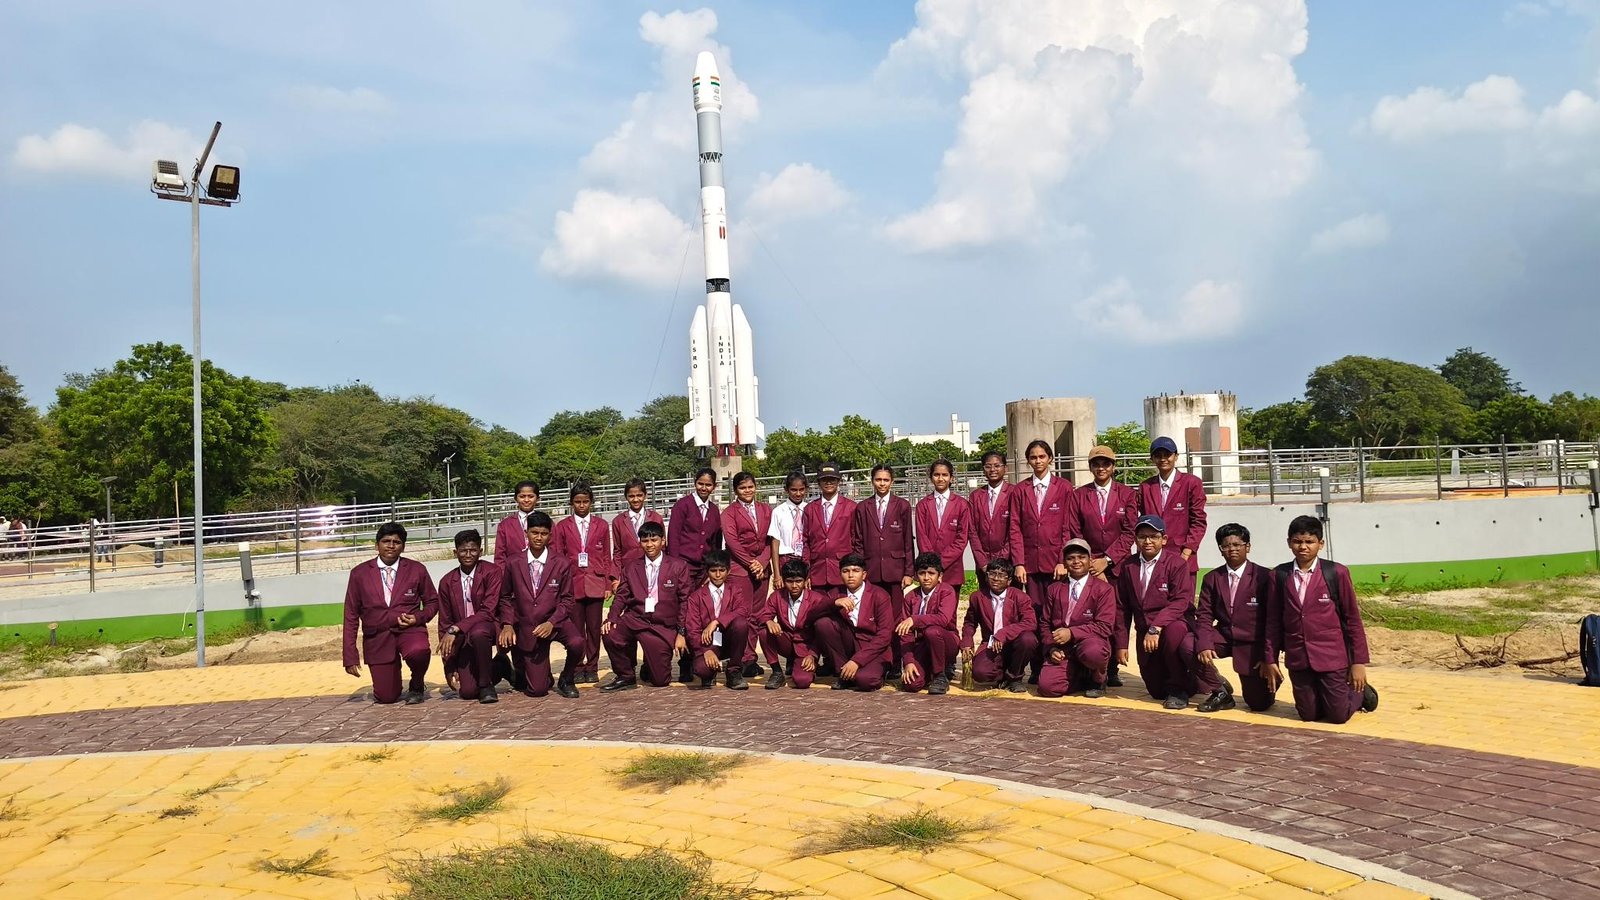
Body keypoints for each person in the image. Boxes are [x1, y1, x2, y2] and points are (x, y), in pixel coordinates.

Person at [1265, 516, 1379, 724]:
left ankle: (1360, 693)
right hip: (1299, 657)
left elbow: (1352, 619)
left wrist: (1358, 663)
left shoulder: (1336, 573)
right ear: (1289, 542)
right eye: (1297, 541)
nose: (1303, 547)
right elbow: (1273, 620)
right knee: (1308, 715)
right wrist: (1270, 658)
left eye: (1309, 542)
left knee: (1338, 716)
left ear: (1321, 544)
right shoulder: (1279, 575)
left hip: (1332, 656)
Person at [1114, 515, 1220, 710]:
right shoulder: (1128, 566)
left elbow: (1181, 601)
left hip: (1174, 623)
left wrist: (1156, 627)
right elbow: (1122, 607)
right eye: (1142, 537)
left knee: (1173, 633)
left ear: (1163, 539)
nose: (1147, 541)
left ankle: (1179, 689)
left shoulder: (1176, 563)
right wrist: (1121, 644)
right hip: (1145, 630)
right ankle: (1200, 679)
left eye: (1153, 536)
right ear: (1135, 540)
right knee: (1156, 691)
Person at [341, 522, 438, 705]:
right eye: (386, 541)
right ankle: (393, 679)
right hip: (377, 636)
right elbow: (351, 615)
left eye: (397, 542)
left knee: (419, 651)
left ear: (403, 546)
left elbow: (433, 602)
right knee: (386, 697)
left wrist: (417, 618)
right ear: (376, 545)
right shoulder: (359, 574)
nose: (391, 546)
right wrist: (350, 655)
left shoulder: (416, 569)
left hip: (409, 631)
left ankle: (417, 683)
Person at [1006, 439, 1076, 681]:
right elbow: (1015, 528)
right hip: (1031, 565)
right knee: (1035, 615)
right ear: (1028, 461)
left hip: (1055, 565)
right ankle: (1037, 667)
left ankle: (1057, 662)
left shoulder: (1064, 488)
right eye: (1033, 457)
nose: (1038, 461)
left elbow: (1067, 526)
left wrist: (1062, 560)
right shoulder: (1020, 490)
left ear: (1050, 459)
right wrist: (1019, 562)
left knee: (1057, 614)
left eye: (1042, 457)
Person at [497, 512, 582, 699]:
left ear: (550, 535)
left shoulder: (561, 563)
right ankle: (538, 675)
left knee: (577, 642)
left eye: (543, 534)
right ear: (526, 533)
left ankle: (567, 678)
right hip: (529, 626)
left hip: (555, 622)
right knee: (537, 690)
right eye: (534, 533)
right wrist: (508, 624)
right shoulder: (513, 562)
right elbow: (505, 597)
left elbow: (568, 599)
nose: (538, 537)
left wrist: (552, 622)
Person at [602, 520, 694, 691]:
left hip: (662, 625)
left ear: (663, 541)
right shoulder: (631, 567)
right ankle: (625, 675)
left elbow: (685, 601)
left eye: (654, 540)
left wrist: (681, 632)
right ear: (640, 543)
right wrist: (612, 617)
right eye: (645, 541)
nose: (649, 545)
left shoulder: (678, 566)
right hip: (636, 618)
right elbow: (622, 596)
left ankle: (650, 664)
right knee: (610, 631)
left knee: (660, 680)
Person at [1194, 523, 1275, 713]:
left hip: (1253, 644)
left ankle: (1268, 685)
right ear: (1220, 549)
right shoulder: (1212, 578)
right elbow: (1204, 615)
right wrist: (1204, 644)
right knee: (1188, 644)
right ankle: (1219, 689)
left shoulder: (1265, 576)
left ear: (1248, 546)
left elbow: (1272, 620)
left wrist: (1268, 657)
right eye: (1226, 545)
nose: (1232, 549)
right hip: (1224, 636)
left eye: (1237, 544)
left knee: (1258, 704)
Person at [1075, 445, 1138, 686]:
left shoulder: (1128, 494)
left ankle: (1112, 668)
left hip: (1117, 567)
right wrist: (1092, 564)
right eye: (1096, 464)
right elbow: (1075, 531)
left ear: (1113, 466)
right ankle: (1092, 666)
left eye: (1106, 463)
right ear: (1090, 467)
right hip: (1088, 567)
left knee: (1117, 617)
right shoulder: (1079, 495)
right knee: (1090, 615)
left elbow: (1130, 531)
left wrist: (1108, 560)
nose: (1101, 468)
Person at [851, 464, 914, 675]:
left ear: (892, 482)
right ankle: (877, 659)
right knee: (874, 617)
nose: (882, 484)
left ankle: (895, 662)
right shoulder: (863, 507)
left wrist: (908, 572)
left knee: (895, 618)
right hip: (871, 570)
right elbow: (858, 541)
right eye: (878, 480)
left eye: (886, 480)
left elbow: (908, 540)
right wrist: (860, 571)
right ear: (872, 481)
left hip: (895, 571)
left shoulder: (902, 506)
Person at [551, 484, 614, 685]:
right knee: (576, 628)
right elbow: (559, 556)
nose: (581, 505)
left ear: (591, 502)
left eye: (585, 501)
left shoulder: (601, 525)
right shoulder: (563, 526)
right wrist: (561, 586)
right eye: (577, 502)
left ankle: (592, 666)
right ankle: (577, 666)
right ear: (571, 503)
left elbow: (606, 556)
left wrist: (607, 583)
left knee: (594, 629)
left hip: (595, 581)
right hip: (573, 582)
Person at [1037, 539, 1116, 699]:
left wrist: (1072, 633)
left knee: (1093, 652)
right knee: (1047, 688)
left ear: (1090, 560)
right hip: (1063, 649)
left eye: (1081, 557)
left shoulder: (1104, 589)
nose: (1076, 561)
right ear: (1064, 563)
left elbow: (1105, 626)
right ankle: (1080, 677)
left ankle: (1098, 680)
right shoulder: (1054, 589)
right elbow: (1044, 623)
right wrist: (1051, 649)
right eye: (1070, 558)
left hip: (1089, 644)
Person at [808, 553, 894, 692]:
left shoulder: (880, 595)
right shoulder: (835, 593)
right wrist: (834, 603)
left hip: (872, 648)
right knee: (823, 623)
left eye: (856, 571)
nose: (851, 575)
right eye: (846, 571)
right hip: (848, 645)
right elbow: (811, 616)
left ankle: (873, 672)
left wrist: (856, 661)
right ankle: (843, 673)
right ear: (840, 574)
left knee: (866, 681)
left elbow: (885, 635)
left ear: (864, 574)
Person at [437, 529, 503, 703]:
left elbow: (488, 611)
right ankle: (500, 666)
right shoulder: (446, 582)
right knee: (467, 692)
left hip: (487, 628)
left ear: (480, 551)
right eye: (463, 551)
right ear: (455, 553)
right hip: (462, 637)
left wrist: (456, 627)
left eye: (473, 550)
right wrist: (449, 665)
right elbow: (445, 623)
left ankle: (486, 685)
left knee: (478, 632)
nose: (468, 555)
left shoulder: (492, 572)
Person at [961, 558, 1039, 692]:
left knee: (1028, 639)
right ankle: (1003, 676)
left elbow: (1030, 622)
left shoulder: (1020, 597)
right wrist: (967, 641)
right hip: (991, 644)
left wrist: (1004, 633)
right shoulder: (977, 597)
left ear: (1009, 580)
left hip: (1014, 642)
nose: (996, 579)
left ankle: (1015, 678)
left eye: (1001, 575)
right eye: (992, 574)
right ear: (987, 577)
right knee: (980, 673)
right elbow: (970, 622)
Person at [723, 471, 773, 677]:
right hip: (740, 569)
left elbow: (771, 539)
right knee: (742, 615)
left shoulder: (766, 509)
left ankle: (750, 658)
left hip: (762, 569)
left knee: (757, 616)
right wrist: (751, 563)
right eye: (742, 488)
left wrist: (762, 562)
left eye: (750, 487)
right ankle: (739, 657)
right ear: (736, 490)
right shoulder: (729, 513)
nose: (747, 491)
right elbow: (732, 542)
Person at [1139, 437, 1206, 579]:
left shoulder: (1191, 483)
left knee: (1183, 594)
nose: (1163, 459)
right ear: (1152, 459)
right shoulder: (1145, 487)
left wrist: (1186, 553)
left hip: (1183, 557)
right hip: (1153, 560)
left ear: (1176, 456)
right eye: (1158, 455)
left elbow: (1199, 522)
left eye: (1167, 455)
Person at [683, 549, 750, 689]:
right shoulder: (696, 597)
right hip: (707, 643)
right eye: (713, 571)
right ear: (707, 572)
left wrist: (717, 621)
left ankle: (734, 670)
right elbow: (692, 629)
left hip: (728, 640)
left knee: (741, 624)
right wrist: (705, 651)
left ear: (729, 571)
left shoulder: (735, 590)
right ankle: (711, 670)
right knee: (702, 670)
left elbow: (743, 611)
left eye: (722, 570)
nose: (718, 575)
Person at [897, 552, 958, 695]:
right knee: (911, 684)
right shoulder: (910, 596)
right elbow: (905, 632)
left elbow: (943, 619)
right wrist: (909, 661)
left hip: (946, 642)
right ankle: (929, 670)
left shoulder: (947, 591)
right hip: (922, 645)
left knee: (932, 631)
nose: (926, 578)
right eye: (922, 573)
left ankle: (940, 675)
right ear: (916, 576)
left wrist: (915, 619)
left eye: (931, 573)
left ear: (940, 576)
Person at [761, 558, 824, 689]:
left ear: (805, 581)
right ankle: (777, 672)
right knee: (763, 631)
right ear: (784, 581)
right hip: (786, 641)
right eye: (790, 581)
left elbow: (821, 632)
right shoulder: (777, 596)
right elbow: (763, 615)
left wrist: (813, 655)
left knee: (802, 681)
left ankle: (807, 667)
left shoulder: (816, 599)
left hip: (806, 647)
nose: (794, 586)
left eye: (798, 581)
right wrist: (769, 621)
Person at [914, 458, 971, 595]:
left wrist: (941, 562)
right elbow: (922, 536)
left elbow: (961, 539)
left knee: (950, 607)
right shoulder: (922, 505)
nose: (940, 479)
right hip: (928, 571)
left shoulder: (962, 504)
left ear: (951, 478)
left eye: (944, 475)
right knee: (928, 606)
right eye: (936, 475)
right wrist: (932, 564)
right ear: (931, 477)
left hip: (952, 568)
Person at [800, 463, 855, 600]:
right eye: (824, 479)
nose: (829, 483)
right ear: (819, 482)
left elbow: (856, 540)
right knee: (819, 610)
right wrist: (807, 572)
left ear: (838, 481)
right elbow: (806, 542)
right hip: (817, 572)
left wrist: (854, 570)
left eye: (832, 479)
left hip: (841, 571)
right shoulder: (809, 509)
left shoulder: (851, 507)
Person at [666, 468, 723, 585]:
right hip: (684, 564)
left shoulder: (714, 510)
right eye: (700, 483)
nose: (704, 488)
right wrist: (675, 564)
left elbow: (715, 542)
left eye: (708, 485)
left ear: (714, 486)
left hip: (704, 567)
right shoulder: (682, 505)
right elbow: (673, 536)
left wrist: (714, 565)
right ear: (695, 482)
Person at [968, 450, 1015, 577]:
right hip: (984, 564)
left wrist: (1002, 559)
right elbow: (972, 531)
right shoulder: (975, 496)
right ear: (983, 469)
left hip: (1008, 562)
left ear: (1005, 468)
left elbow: (1016, 529)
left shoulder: (1014, 492)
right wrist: (982, 561)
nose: (993, 469)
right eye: (988, 466)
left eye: (997, 465)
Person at [611, 478, 664, 568]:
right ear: (626, 497)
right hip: (628, 569)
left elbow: (662, 546)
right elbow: (617, 551)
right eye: (631, 496)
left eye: (639, 495)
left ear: (645, 495)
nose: (635, 499)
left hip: (653, 567)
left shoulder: (656, 518)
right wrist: (617, 573)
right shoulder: (618, 521)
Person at [767, 471, 809, 573]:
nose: (798, 494)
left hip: (805, 558)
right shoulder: (778, 512)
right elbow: (775, 542)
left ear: (806, 489)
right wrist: (777, 574)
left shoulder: (810, 509)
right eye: (794, 490)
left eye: (801, 489)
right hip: (785, 559)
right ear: (786, 489)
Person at [493, 481, 541, 564]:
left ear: (537, 499)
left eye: (531, 496)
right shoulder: (505, 525)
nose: (526, 500)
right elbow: (500, 556)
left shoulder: (546, 522)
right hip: (513, 570)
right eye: (522, 496)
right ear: (515, 498)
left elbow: (553, 549)